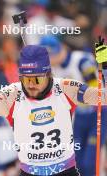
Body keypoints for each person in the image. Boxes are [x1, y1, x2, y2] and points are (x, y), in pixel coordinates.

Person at [0, 41, 107, 175]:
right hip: (29, 171)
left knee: (88, 164)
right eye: (27, 80)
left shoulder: (65, 88)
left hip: (65, 170)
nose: (31, 85)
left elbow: (104, 97)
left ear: (48, 75)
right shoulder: (11, 94)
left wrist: (105, 67)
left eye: (37, 80)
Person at [39, 35, 107, 176]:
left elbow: (96, 89)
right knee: (76, 162)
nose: (49, 61)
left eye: (50, 56)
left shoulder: (81, 60)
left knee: (89, 163)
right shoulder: (52, 71)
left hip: (97, 114)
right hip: (79, 118)